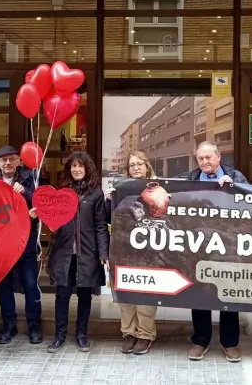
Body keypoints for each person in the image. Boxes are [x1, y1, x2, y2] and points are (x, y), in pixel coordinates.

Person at [186, 141, 247, 363]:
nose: (204, 162)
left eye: (208, 157)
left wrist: (235, 189)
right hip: (199, 246)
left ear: (219, 157)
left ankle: (230, 344)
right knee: (200, 293)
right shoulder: (190, 179)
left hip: (228, 245)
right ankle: (200, 341)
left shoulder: (236, 177)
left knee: (228, 292)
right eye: (200, 159)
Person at [46, 152, 109, 354]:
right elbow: (53, 219)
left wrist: (103, 252)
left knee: (85, 295)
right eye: (73, 166)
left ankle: (82, 335)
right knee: (62, 295)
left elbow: (100, 224)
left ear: (87, 168)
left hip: (87, 251)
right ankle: (59, 335)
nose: (76, 169)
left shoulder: (96, 193)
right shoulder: (62, 191)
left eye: (80, 166)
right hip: (65, 251)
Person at [0, 146, 42, 346]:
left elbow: (41, 202)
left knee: (30, 284)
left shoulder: (30, 176)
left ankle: (34, 325)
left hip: (25, 239)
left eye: (12, 159)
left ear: (19, 160)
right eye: (3, 160)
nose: (8, 163)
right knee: (4, 286)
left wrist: (25, 191)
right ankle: (9, 325)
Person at [106, 151, 158, 356]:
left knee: (145, 293)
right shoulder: (122, 190)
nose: (135, 168)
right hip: (124, 249)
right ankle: (128, 332)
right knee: (126, 292)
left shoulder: (159, 188)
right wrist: (108, 200)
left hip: (149, 250)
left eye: (139, 164)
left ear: (147, 166)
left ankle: (145, 334)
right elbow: (109, 218)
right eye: (132, 165)